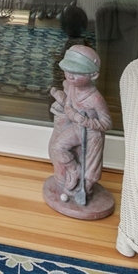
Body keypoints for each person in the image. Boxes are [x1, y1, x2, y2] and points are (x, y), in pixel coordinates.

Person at [48, 45, 112, 204]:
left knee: (90, 171)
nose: (70, 76)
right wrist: (70, 111)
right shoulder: (71, 87)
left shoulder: (95, 98)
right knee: (58, 147)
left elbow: (107, 123)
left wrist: (86, 121)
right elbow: (69, 105)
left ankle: (85, 191)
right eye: (68, 71)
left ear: (93, 75)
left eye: (77, 73)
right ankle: (73, 170)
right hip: (77, 129)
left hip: (92, 135)